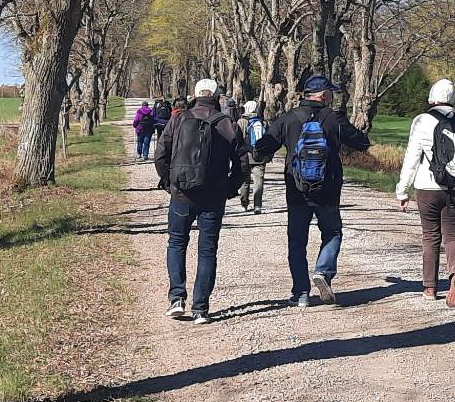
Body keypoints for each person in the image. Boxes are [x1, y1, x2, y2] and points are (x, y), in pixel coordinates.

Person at [255, 73, 370, 307]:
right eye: (330, 93)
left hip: (296, 190)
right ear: (324, 94)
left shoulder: (289, 118)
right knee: (333, 232)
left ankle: (301, 294)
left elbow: (263, 147)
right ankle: (323, 272)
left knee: (297, 241)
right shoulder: (334, 119)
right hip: (328, 190)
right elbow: (361, 142)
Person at [152, 78, 249, 324]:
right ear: (217, 97)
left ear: (195, 95)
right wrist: (230, 188)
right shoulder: (228, 124)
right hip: (214, 196)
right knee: (207, 250)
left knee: (176, 243)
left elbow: (160, 154)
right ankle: (200, 309)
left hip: (181, 193)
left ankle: (176, 298)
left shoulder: (178, 119)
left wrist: (169, 181)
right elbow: (242, 164)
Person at [395, 79, 455, 306]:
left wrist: (402, 191)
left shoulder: (422, 121)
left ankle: (430, 288)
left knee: (430, 236)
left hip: (428, 188)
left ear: (432, 98)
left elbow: (411, 158)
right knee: (454, 236)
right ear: (452, 99)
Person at [239, 99, 271, 214]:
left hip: (245, 155)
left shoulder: (241, 122)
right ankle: (257, 205)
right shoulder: (263, 123)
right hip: (259, 156)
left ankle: (244, 203)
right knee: (259, 181)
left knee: (245, 180)